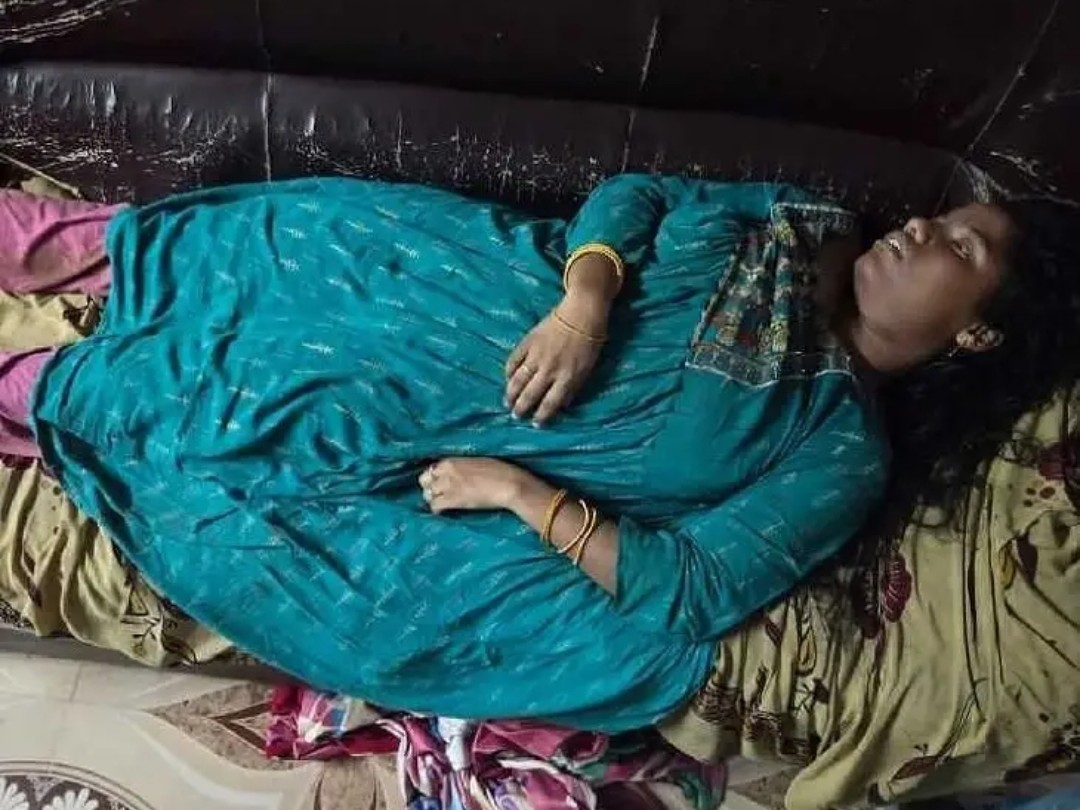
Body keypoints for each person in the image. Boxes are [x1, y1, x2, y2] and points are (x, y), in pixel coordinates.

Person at [0, 174, 1054, 733]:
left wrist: (519, 494)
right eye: (939, 216)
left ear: (976, 334)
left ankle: (38, 388)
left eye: (960, 246)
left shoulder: (837, 452)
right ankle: (57, 253)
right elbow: (641, 195)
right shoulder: (807, 218)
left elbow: (689, 589)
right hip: (472, 275)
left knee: (221, 411)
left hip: (460, 420)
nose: (922, 230)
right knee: (235, 249)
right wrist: (585, 301)